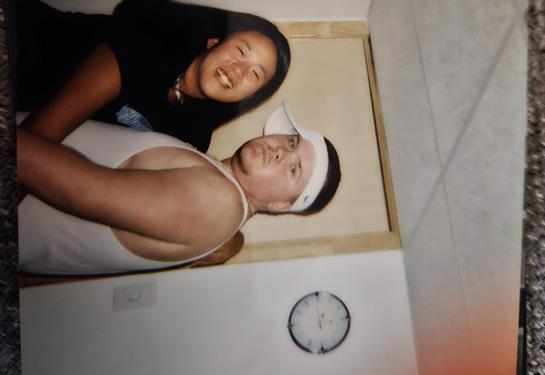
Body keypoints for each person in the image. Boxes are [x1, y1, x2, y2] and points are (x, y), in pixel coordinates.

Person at [17, 103, 341, 276]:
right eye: (292, 143)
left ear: (281, 205)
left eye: (294, 170)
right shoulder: (220, 196)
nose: (281, 152)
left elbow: (82, 192)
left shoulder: (217, 202)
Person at [16, 0, 291, 150]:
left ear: (249, 95)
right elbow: (36, 140)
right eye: (241, 51)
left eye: (255, 74)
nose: (238, 70)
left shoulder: (192, 137)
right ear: (214, 42)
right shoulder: (147, 43)